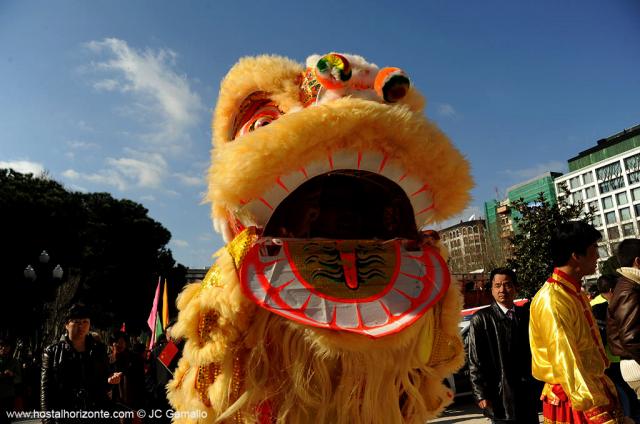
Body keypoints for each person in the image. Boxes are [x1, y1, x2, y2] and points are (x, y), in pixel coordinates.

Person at [529, 222, 623, 423]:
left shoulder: (575, 292)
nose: (598, 256)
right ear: (576, 255)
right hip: (575, 397)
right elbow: (566, 359)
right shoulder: (552, 300)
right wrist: (592, 406)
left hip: (589, 388)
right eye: (593, 249)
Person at [467, 267, 539, 423]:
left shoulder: (527, 315)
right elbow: (474, 360)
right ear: (491, 289)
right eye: (497, 285)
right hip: (500, 395)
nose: (502, 290)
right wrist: (481, 394)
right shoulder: (481, 319)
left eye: (507, 285)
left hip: (527, 393)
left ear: (515, 287)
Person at [41, 304, 121, 421]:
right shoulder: (52, 352)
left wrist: (110, 381)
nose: (81, 326)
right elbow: (46, 392)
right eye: (77, 322)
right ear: (66, 325)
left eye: (85, 322)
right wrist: (47, 420)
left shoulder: (99, 350)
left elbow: (103, 383)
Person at [594, 274, 640, 423]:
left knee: (623, 399)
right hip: (625, 359)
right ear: (613, 289)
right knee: (630, 401)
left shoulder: (593, 305)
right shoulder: (619, 302)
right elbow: (629, 337)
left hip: (610, 361)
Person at [608, 239, 640, 399]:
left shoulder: (631, 286)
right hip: (636, 368)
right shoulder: (629, 290)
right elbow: (631, 338)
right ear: (638, 262)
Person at [0, 339, 22, 423]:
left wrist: (12, 374)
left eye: (5, 346)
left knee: (7, 419)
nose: (2, 348)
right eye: (1, 346)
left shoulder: (14, 362)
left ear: (9, 348)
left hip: (8, 396)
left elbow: (19, 378)